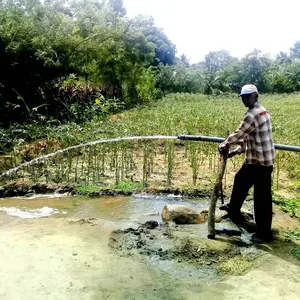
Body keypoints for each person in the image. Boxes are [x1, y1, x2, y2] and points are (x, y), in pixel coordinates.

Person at [219, 84, 275, 242]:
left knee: (261, 198)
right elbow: (249, 136)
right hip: (258, 159)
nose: (245, 99)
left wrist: (225, 145)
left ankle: (264, 234)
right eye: (243, 97)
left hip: (260, 163)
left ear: (256, 96)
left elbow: (239, 133)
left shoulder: (253, 114)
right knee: (241, 180)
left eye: (248, 96)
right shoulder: (262, 110)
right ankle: (234, 209)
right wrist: (237, 150)